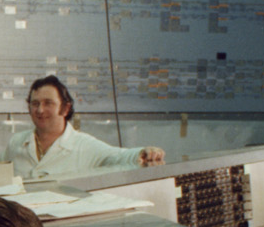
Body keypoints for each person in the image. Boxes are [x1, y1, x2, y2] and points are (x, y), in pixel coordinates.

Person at [8, 75, 164, 181]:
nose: (40, 110)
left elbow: (118, 156)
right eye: (35, 104)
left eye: (48, 103)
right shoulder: (16, 143)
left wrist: (144, 152)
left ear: (65, 109)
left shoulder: (84, 145)